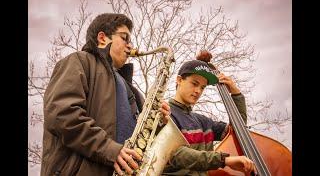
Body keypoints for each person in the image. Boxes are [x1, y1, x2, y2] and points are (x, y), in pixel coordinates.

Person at [40, 13, 171, 176]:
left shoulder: (132, 90)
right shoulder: (79, 61)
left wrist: (159, 124)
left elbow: (143, 139)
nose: (130, 46)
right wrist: (110, 150)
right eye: (125, 38)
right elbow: (62, 114)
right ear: (102, 38)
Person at [163, 50, 257, 175]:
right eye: (194, 83)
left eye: (202, 87)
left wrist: (236, 94)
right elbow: (177, 154)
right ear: (179, 80)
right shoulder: (165, 113)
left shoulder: (204, 122)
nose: (198, 91)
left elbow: (237, 133)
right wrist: (223, 160)